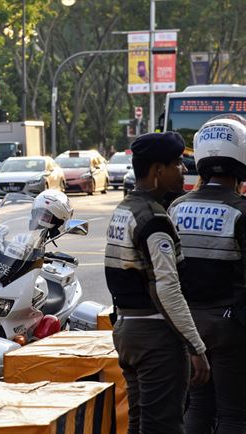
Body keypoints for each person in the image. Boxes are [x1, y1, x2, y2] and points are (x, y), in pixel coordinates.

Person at [104, 131, 210, 434]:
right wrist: (196, 346)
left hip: (126, 331)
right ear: (157, 170)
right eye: (177, 163)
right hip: (155, 338)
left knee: (138, 423)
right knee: (162, 425)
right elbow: (166, 289)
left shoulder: (124, 209)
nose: (184, 169)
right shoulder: (154, 219)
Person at [169, 114, 246, 434]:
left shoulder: (176, 207)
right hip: (229, 325)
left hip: (186, 326)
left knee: (198, 405)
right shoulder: (240, 211)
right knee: (234, 414)